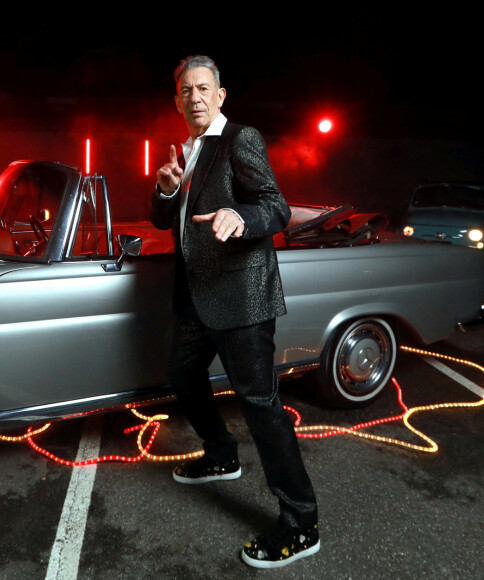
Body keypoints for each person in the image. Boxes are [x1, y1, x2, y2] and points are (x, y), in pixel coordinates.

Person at [150, 55, 319, 569]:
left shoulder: (240, 138)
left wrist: (239, 216)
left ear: (221, 95)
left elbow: (276, 206)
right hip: (197, 297)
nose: (194, 97)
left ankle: (301, 522)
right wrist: (166, 187)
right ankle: (221, 454)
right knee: (182, 375)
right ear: (177, 100)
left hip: (242, 297)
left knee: (260, 406)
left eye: (203, 88)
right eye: (185, 91)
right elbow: (163, 220)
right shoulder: (186, 150)